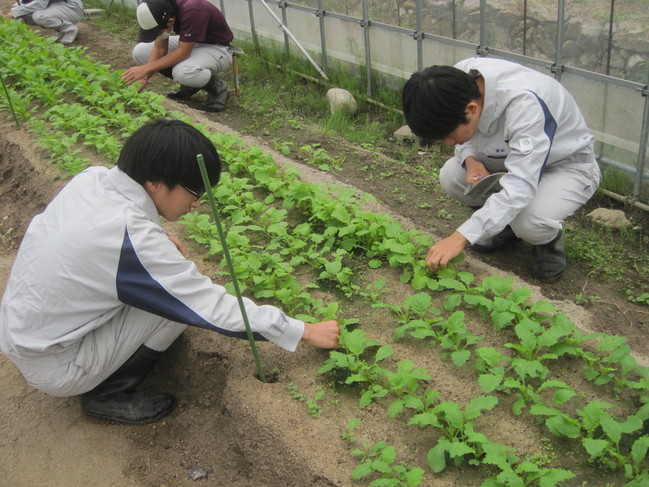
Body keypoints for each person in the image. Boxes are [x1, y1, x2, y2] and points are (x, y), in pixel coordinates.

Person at [0, 119, 340, 425]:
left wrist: (157, 239)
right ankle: (108, 393)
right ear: (154, 183)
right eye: (194, 193)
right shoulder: (129, 240)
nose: (197, 204)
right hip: (57, 364)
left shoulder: (90, 179)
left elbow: (107, 239)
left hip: (22, 331)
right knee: (178, 310)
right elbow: (209, 306)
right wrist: (303, 330)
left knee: (162, 289)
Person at [402, 57, 601, 283]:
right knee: (452, 177)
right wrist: (469, 159)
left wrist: (460, 237)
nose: (448, 143)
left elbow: (520, 185)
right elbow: (465, 138)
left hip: (564, 166)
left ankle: (546, 241)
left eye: (448, 135)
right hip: (509, 157)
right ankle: (505, 225)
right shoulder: (457, 81)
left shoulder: (525, 106)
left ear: (471, 110)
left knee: (531, 221)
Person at [121, 0, 233, 113]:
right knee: (140, 52)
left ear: (171, 21)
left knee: (183, 71)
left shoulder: (193, 10)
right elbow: (160, 48)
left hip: (217, 47)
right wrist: (144, 77)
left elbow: (183, 52)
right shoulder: (163, 8)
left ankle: (219, 90)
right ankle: (191, 84)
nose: (158, 35)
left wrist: (145, 68)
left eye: (157, 32)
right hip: (192, 42)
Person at [3, 0, 84, 44]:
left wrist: (15, 12)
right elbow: (23, 2)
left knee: (39, 16)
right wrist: (13, 12)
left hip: (72, 8)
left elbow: (40, 4)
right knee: (23, 16)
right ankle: (62, 31)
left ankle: (70, 29)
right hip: (58, 7)